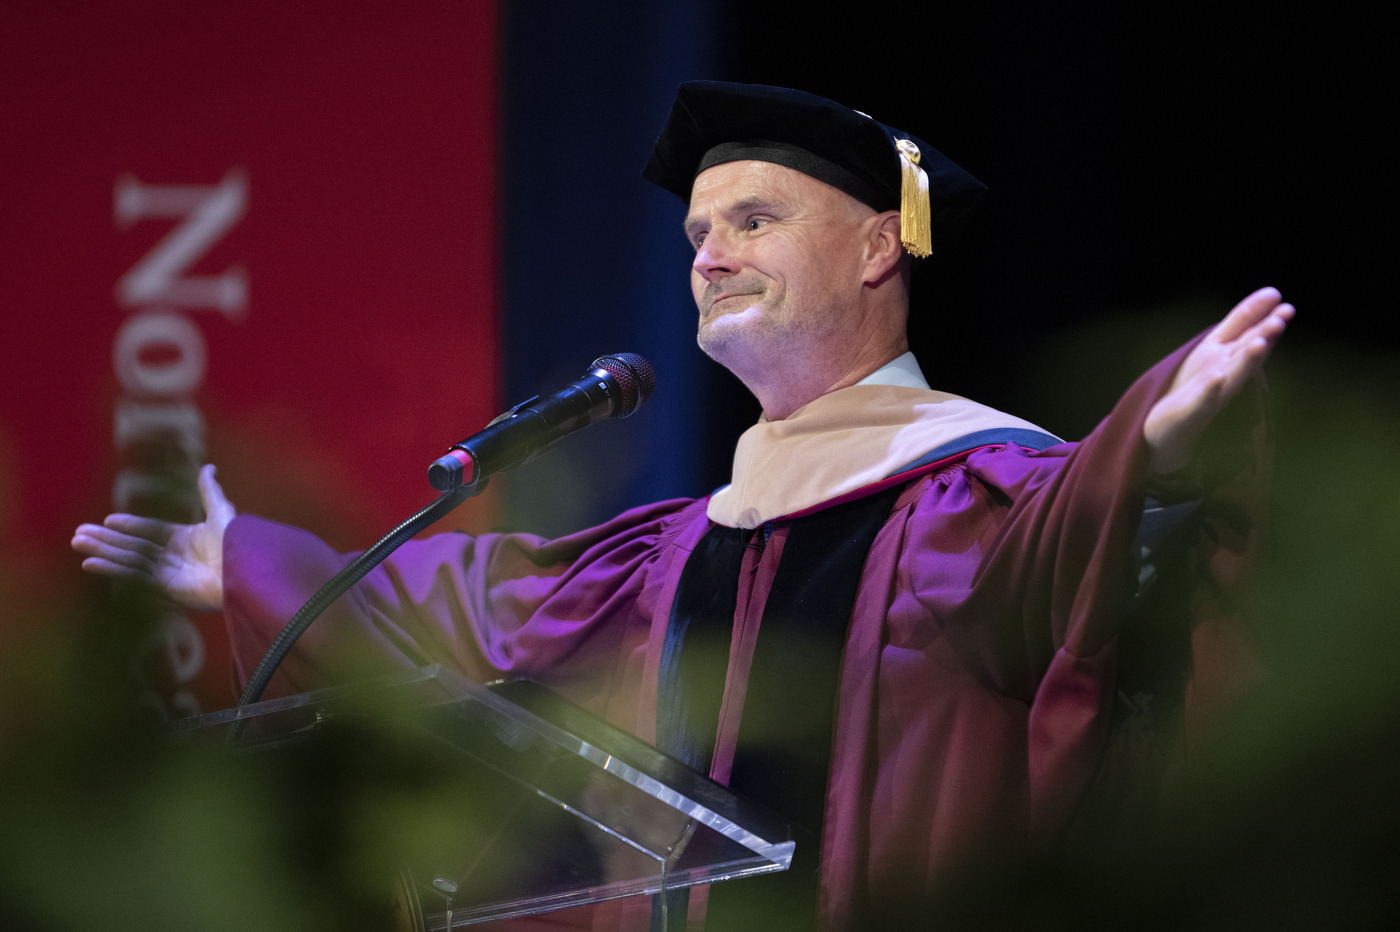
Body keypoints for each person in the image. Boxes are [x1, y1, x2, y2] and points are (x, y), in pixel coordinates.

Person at [72, 82, 1293, 930]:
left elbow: (1075, 537)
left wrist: (1157, 435)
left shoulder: (979, 495)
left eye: (752, 221)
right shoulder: (671, 554)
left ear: (879, 247)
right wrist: (249, 556)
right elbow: (465, 610)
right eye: (699, 231)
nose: (705, 254)